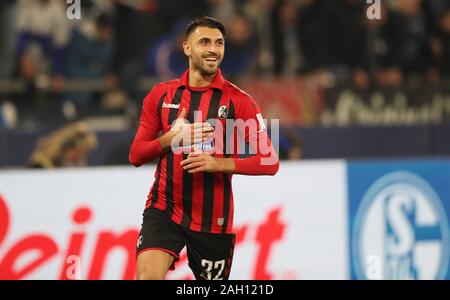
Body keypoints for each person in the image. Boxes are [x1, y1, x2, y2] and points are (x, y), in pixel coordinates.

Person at [129, 16, 279, 280]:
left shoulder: (239, 102)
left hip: (213, 221)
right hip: (164, 209)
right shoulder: (161, 95)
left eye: (219, 43)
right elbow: (136, 155)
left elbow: (269, 161)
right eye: (205, 42)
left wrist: (218, 163)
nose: (213, 49)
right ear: (187, 48)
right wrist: (168, 139)